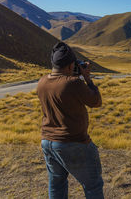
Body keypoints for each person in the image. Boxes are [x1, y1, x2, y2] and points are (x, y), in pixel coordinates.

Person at [37, 42, 104, 199]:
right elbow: (96, 101)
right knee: (93, 185)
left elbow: (62, 87)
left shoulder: (42, 82)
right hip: (74, 142)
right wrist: (87, 78)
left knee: (56, 183)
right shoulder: (74, 83)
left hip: (48, 141)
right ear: (70, 65)